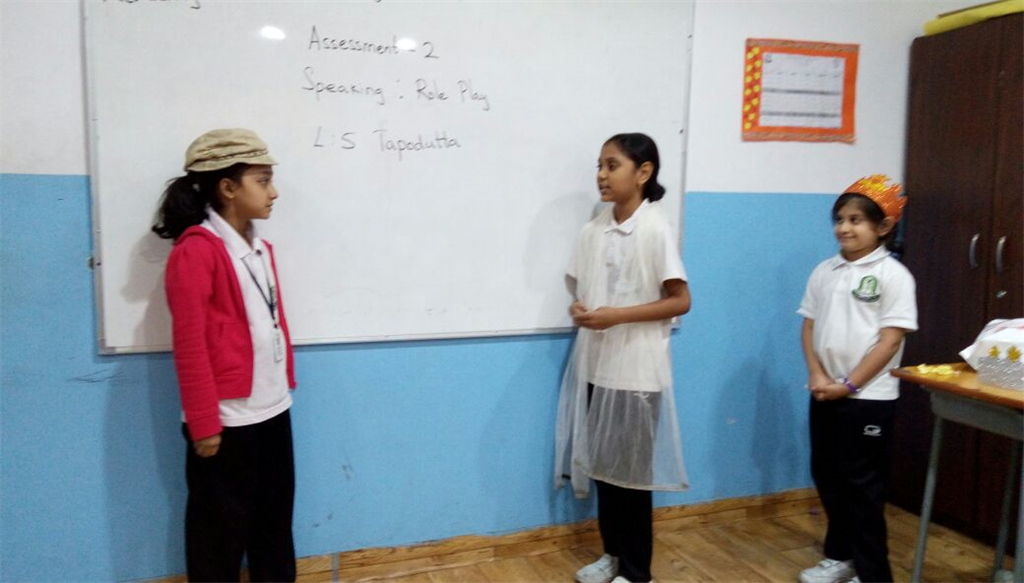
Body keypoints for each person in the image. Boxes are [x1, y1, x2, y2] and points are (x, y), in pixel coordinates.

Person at [153, 128, 297, 582]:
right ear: (228, 187)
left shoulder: (260, 249)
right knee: (218, 537)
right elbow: (190, 344)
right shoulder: (196, 251)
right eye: (263, 181)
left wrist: (282, 387)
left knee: (274, 525)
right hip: (227, 421)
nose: (273, 192)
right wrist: (203, 423)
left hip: (273, 408)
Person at [554, 133, 691, 583]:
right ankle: (611, 554)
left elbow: (680, 300)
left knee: (631, 479)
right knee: (604, 471)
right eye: (599, 165)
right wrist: (581, 309)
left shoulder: (654, 228)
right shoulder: (595, 229)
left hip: (636, 373)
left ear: (643, 172)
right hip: (598, 366)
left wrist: (617, 316)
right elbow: (583, 289)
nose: (601, 175)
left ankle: (635, 572)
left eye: (612, 165)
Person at [797, 175, 917, 583]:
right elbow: (809, 326)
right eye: (839, 219)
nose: (844, 228)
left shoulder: (893, 275)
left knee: (863, 488)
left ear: (883, 227)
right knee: (827, 476)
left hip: (868, 398)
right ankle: (840, 556)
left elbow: (890, 341)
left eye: (856, 220)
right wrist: (817, 373)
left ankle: (872, 573)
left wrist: (849, 385)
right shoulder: (825, 271)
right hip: (824, 392)